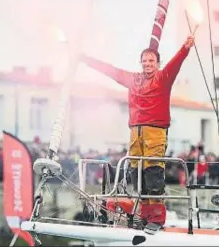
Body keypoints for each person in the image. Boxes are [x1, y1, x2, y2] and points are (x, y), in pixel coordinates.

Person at [79, 35, 195, 227]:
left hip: (155, 132)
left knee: (153, 171)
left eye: (151, 61)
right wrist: (86, 60)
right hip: (135, 132)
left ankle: (156, 217)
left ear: (158, 63)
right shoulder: (133, 79)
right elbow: (111, 71)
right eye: (145, 61)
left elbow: (176, 63)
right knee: (136, 172)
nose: (147, 64)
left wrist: (185, 47)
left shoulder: (163, 77)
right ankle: (143, 214)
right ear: (140, 63)